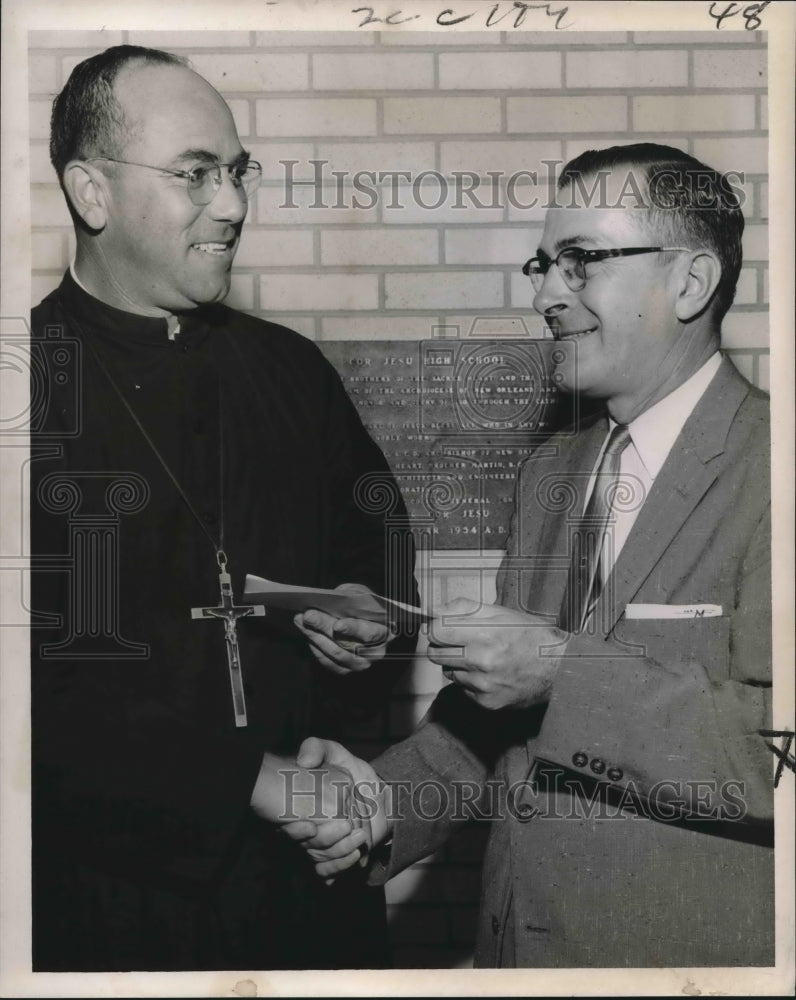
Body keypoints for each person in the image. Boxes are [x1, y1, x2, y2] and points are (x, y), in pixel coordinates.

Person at [281, 143, 775, 968]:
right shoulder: (553, 469)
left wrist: (563, 671)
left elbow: (777, 753)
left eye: (581, 262)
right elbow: (499, 720)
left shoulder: (774, 467)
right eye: (545, 263)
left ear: (690, 283)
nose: (546, 294)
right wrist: (380, 798)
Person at [30, 45, 418, 972]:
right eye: (196, 174)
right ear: (92, 193)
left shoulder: (289, 369)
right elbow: (28, 694)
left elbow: (378, 525)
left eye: (237, 172)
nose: (235, 205)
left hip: (308, 882)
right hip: (110, 902)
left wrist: (363, 626)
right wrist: (249, 780)